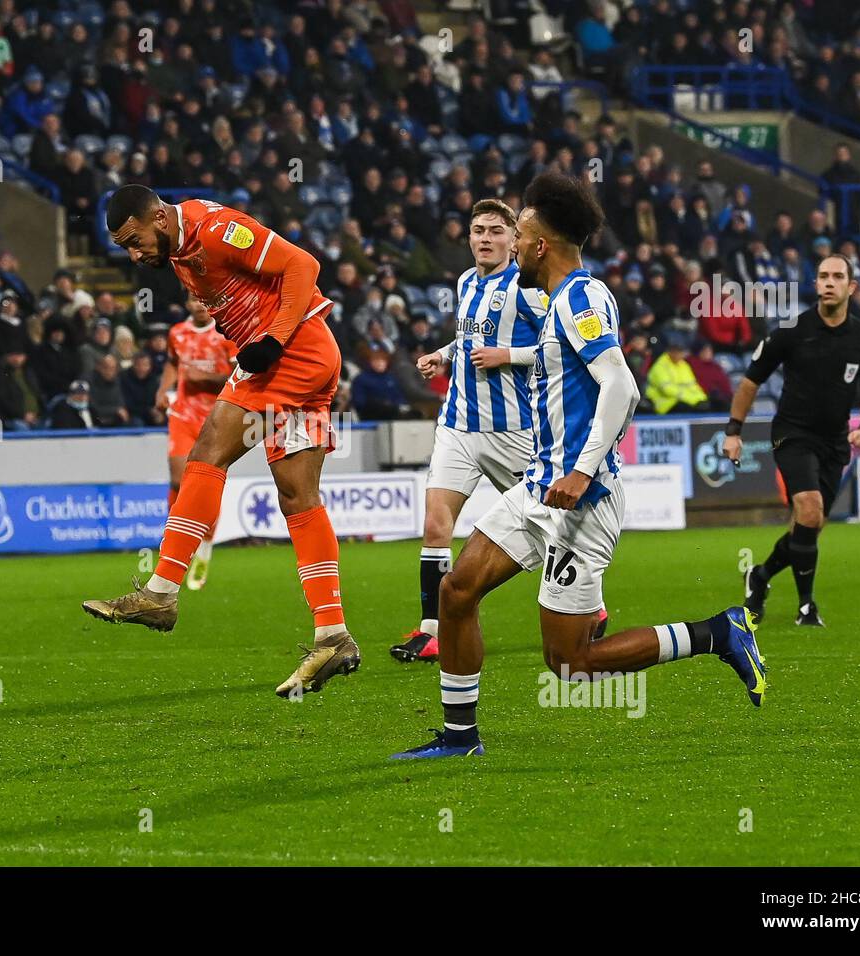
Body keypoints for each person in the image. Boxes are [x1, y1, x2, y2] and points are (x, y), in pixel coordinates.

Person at [393, 173, 768, 760]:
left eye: (518, 234)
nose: (511, 244)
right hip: (537, 487)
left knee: (571, 664)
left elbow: (622, 387)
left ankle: (718, 633)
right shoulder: (554, 300)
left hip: (580, 505)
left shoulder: (581, 298)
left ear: (540, 244)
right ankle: (459, 737)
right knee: (457, 590)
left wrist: (584, 469)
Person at [84, 185, 358, 698]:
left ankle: (163, 591)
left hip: (292, 352)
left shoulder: (215, 230)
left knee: (207, 452)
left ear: (159, 219)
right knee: (298, 497)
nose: (134, 253)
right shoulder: (180, 251)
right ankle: (332, 634)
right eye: (124, 246)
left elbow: (302, 266)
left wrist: (272, 338)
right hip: (306, 357)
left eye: (134, 240)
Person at [390, 198, 561, 665]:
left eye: (495, 231)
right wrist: (443, 355)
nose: (485, 238)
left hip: (513, 431)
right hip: (458, 425)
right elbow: (468, 336)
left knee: (551, 523)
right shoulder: (466, 281)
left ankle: (591, 603)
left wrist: (509, 355)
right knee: (435, 524)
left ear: (513, 239)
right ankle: (433, 630)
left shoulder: (529, 287)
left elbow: (558, 346)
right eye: (477, 230)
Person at [724, 255, 860, 627]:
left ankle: (760, 576)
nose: (829, 282)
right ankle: (807, 607)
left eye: (837, 276)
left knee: (809, 527)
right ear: (816, 284)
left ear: (851, 287)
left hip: (835, 442)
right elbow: (750, 381)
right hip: (792, 435)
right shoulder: (791, 331)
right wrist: (733, 431)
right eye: (823, 275)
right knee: (809, 510)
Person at [155, 297, 236, 590]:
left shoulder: (226, 332)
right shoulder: (176, 332)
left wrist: (206, 378)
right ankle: (176, 546)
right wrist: (163, 390)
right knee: (178, 479)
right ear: (186, 303)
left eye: (203, 300)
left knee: (206, 487)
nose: (199, 305)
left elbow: (236, 377)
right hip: (183, 414)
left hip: (217, 418)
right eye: (192, 300)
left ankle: (204, 548)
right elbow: (173, 364)